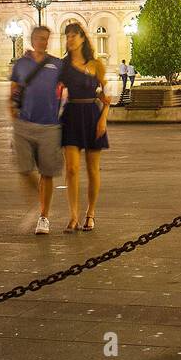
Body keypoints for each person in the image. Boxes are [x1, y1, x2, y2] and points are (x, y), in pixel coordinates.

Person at [9, 25, 65, 235]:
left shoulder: (56, 64)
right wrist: (12, 113)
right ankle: (37, 197)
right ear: (32, 40)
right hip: (24, 122)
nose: (44, 42)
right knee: (24, 169)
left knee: (47, 173)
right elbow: (13, 91)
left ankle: (44, 216)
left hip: (49, 124)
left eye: (46, 39)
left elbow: (72, 83)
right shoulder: (21, 64)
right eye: (40, 38)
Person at [59, 22, 109, 233]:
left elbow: (106, 97)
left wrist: (103, 119)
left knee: (92, 169)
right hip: (71, 115)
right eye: (67, 36)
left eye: (73, 36)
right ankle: (73, 215)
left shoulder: (96, 64)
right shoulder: (63, 66)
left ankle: (90, 213)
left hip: (92, 114)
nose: (69, 40)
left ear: (82, 38)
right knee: (71, 169)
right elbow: (53, 89)